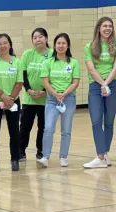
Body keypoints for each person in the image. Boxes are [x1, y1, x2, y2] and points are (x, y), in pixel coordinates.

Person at [37, 33, 80, 168]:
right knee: (48, 128)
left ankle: (63, 156)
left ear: (67, 46)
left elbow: (75, 82)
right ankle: (45, 157)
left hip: (68, 99)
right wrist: (55, 94)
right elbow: (45, 82)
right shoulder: (48, 63)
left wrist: (65, 94)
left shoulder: (73, 63)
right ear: (54, 45)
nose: (61, 46)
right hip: (51, 99)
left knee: (66, 129)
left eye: (63, 43)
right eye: (58, 43)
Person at [0, 33, 23, 172]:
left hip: (13, 101)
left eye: (5, 43)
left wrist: (10, 98)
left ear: (10, 44)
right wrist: (3, 96)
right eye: (0, 44)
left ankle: (15, 159)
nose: (3, 45)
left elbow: (19, 83)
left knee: (14, 131)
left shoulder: (17, 62)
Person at [83, 17, 116, 169]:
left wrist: (107, 83)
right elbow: (91, 68)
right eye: (105, 26)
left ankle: (104, 154)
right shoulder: (89, 47)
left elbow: (115, 68)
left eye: (110, 26)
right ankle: (100, 156)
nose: (107, 28)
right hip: (96, 86)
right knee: (96, 120)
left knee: (109, 122)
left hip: (113, 84)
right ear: (98, 28)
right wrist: (102, 84)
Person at [19, 28, 53, 161]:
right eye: (35, 37)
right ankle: (21, 151)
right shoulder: (27, 54)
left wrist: (45, 91)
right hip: (29, 98)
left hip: (47, 99)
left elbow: (54, 75)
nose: (38, 39)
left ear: (46, 38)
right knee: (25, 126)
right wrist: (28, 90)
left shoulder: (52, 54)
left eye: (41, 36)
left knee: (43, 127)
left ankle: (41, 151)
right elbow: (23, 74)